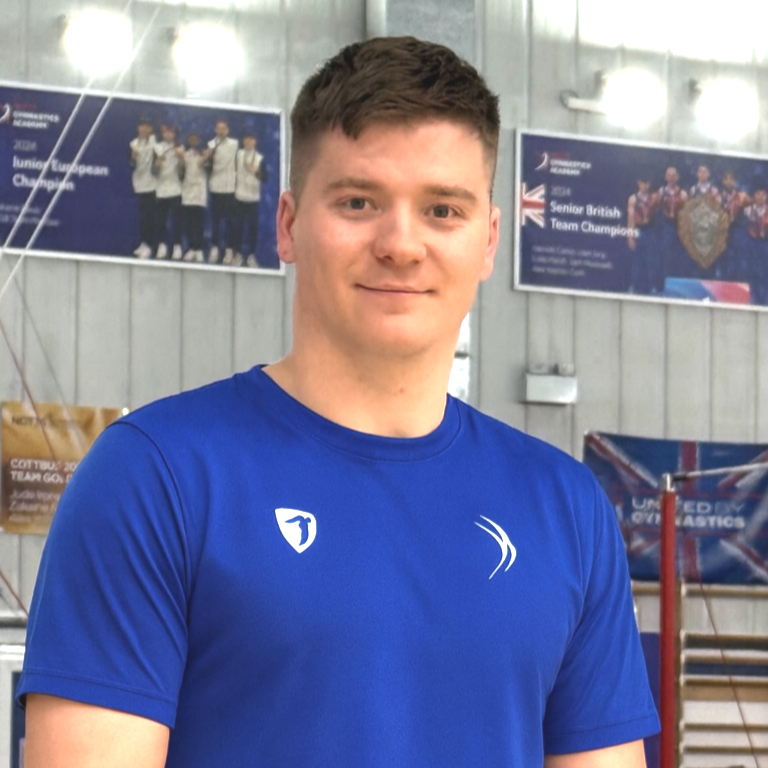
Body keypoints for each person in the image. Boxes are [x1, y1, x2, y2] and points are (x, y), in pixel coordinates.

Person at [18, 37, 659, 768]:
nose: (400, 243)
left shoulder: (566, 506)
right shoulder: (156, 477)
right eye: (359, 201)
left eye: (442, 210)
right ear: (287, 224)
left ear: (487, 241)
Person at [203, 118, 238, 264]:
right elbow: (205, 163)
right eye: (219, 128)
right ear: (215, 130)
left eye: (224, 128)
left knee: (230, 221)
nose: (221, 131)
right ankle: (215, 249)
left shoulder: (234, 144)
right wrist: (209, 154)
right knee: (215, 221)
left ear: (228, 130)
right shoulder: (211, 144)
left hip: (230, 188)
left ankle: (229, 250)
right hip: (215, 187)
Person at [231, 130, 266, 267]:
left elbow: (265, 177)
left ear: (255, 141)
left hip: (253, 198)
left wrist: (256, 171)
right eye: (246, 138)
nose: (248, 141)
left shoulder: (259, 158)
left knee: (252, 229)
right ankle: (238, 255)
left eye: (251, 139)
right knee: (237, 227)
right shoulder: (237, 155)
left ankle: (251, 255)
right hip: (239, 196)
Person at [152, 124, 184, 261]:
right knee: (160, 221)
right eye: (165, 132)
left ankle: (177, 246)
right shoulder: (157, 147)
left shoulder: (180, 148)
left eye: (171, 132)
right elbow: (153, 172)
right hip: (161, 190)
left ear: (175, 133)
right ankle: (161, 246)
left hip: (176, 189)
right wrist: (157, 163)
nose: (168, 135)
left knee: (177, 221)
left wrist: (181, 159)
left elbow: (183, 174)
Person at [128, 117, 157, 260]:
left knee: (150, 217)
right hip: (139, 184)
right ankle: (144, 243)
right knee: (143, 217)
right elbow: (131, 165)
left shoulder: (155, 142)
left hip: (153, 185)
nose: (144, 129)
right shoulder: (133, 144)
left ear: (151, 129)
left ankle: (150, 245)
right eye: (141, 126)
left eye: (147, 127)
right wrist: (133, 158)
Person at [626, 176, 659, 293]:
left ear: (649, 184)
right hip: (638, 230)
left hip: (650, 230)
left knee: (651, 260)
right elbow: (630, 218)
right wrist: (630, 236)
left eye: (646, 183)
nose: (644, 186)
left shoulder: (653, 198)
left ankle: (651, 286)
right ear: (638, 183)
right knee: (637, 261)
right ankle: (634, 286)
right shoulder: (633, 199)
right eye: (642, 183)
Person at [179, 132, 207, 264]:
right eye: (191, 138)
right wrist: (180, 160)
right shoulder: (184, 154)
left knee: (199, 222)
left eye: (196, 138)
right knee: (189, 222)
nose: (194, 141)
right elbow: (181, 173)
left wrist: (206, 159)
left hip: (200, 193)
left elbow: (210, 169)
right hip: (187, 192)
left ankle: (199, 249)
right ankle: (190, 248)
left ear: (199, 140)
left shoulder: (205, 154)